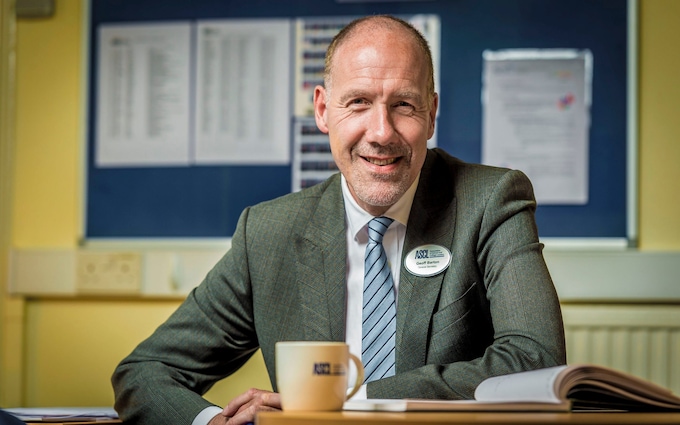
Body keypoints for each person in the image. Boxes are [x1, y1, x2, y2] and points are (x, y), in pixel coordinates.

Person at [112, 14, 566, 425]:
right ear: (324, 110)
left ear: (431, 114)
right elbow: (146, 373)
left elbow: (536, 359)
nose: (381, 131)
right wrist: (216, 423)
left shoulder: (491, 201)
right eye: (359, 102)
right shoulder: (268, 234)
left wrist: (345, 404)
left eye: (404, 105)